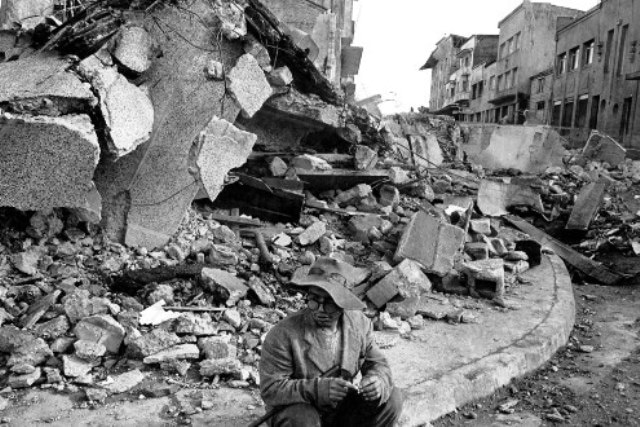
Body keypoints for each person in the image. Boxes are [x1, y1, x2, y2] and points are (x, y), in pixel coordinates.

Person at [259, 257, 403, 427]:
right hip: (300, 411)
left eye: (329, 303)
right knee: (303, 418)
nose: (320, 310)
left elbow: (378, 364)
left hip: (340, 410)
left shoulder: (360, 324)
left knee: (392, 398)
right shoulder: (283, 334)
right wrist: (317, 389)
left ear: (342, 304)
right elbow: (271, 389)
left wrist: (377, 381)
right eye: (314, 300)